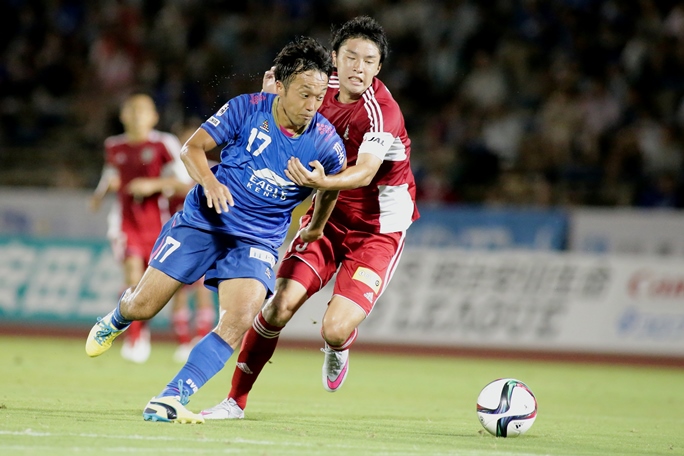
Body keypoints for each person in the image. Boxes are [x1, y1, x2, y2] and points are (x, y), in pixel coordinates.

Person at [85, 36, 346, 424]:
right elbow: (191, 149)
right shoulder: (246, 108)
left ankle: (171, 396)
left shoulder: (327, 144)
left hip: (258, 238)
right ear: (280, 85)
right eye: (304, 94)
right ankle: (118, 317)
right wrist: (209, 181)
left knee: (240, 318)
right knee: (144, 306)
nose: (312, 105)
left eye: (319, 96)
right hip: (205, 221)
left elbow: (331, 190)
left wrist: (315, 226)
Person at [201, 16, 419, 420]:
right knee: (276, 308)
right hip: (328, 218)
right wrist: (270, 96)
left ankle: (339, 345)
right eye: (350, 57)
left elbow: (365, 173)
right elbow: (277, 108)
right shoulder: (318, 86)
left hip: (377, 231)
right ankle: (234, 401)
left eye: (368, 61)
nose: (358, 67)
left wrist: (325, 181)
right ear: (334, 58)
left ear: (378, 67)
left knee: (334, 328)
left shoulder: (381, 112)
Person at [90, 93, 192, 364]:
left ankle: (182, 340)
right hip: (126, 224)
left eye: (142, 110)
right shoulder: (114, 145)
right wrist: (101, 193)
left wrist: (153, 185)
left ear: (154, 117)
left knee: (165, 286)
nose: (136, 116)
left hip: (160, 225)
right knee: (133, 276)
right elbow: (109, 175)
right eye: (131, 110)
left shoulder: (164, 143)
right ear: (123, 116)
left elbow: (186, 183)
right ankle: (135, 338)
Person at [167, 120, 218, 363]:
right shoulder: (169, 170)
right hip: (177, 237)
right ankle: (183, 342)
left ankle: (200, 337)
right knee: (177, 291)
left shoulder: (214, 169)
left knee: (202, 290)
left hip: (205, 237)